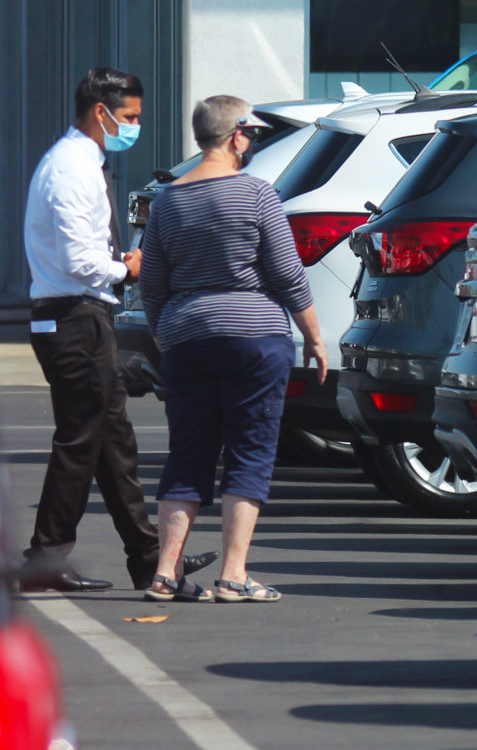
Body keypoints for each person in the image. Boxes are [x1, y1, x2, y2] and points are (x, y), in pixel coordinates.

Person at [21, 66, 219, 592]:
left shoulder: (82, 162)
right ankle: (44, 559)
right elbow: (78, 258)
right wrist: (125, 267)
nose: (134, 125)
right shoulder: (72, 169)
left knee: (112, 441)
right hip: (71, 317)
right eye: (128, 116)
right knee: (83, 438)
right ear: (100, 112)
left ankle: (149, 558)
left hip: (81, 315)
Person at [139, 95, 328, 603]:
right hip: (253, 335)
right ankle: (234, 574)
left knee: (187, 453)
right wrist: (312, 335)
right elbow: (287, 274)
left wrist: (167, 334)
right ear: (236, 135)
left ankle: (164, 573)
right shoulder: (257, 195)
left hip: (185, 336)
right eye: (253, 134)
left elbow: (152, 285)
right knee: (250, 451)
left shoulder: (167, 201)